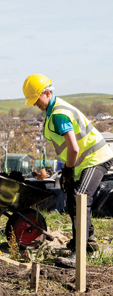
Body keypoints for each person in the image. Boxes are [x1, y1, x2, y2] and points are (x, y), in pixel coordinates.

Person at [22, 74, 113, 267]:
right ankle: (88, 243)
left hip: (96, 158)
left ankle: (80, 253)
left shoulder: (58, 114)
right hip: (83, 161)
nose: (35, 104)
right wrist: (67, 171)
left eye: (36, 99)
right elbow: (67, 149)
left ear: (47, 93)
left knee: (80, 197)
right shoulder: (53, 109)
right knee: (73, 198)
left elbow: (73, 148)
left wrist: (69, 170)